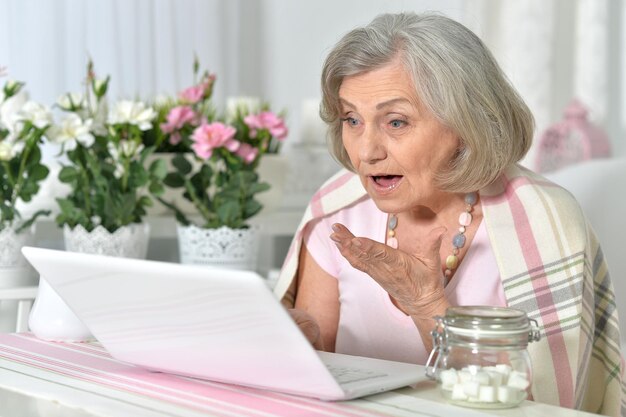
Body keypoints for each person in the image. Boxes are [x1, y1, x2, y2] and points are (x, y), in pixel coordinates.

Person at [272, 11, 625, 416]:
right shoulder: (337, 210)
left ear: (464, 122)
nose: (366, 151)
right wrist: (304, 342)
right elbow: (318, 389)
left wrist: (427, 306)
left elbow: (539, 407)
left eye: (396, 121)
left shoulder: (543, 224)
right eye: (352, 119)